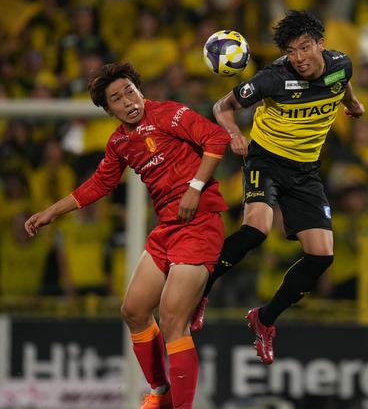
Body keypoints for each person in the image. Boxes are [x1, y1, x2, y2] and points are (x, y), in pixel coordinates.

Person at [24, 62, 230, 409]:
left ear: (139, 89)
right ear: (109, 110)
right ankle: (161, 393)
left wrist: (195, 188)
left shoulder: (169, 114)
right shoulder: (119, 142)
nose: (128, 101)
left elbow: (216, 138)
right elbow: (99, 183)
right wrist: (51, 212)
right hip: (167, 228)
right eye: (117, 99)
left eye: (129, 91)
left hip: (199, 224)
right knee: (133, 310)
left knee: (172, 320)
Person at [192, 10, 365, 364]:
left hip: (305, 171)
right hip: (266, 160)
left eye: (305, 47)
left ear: (321, 44)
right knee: (256, 230)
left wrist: (353, 104)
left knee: (322, 256)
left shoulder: (341, 66)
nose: (298, 58)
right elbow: (222, 106)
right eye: (291, 51)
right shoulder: (274, 78)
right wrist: (234, 133)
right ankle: (201, 289)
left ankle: (264, 319)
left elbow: (341, 84)